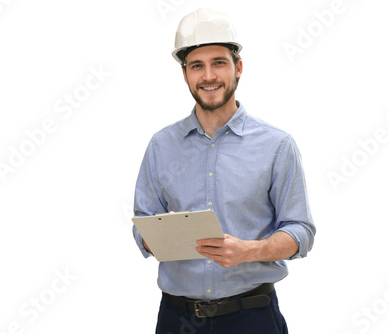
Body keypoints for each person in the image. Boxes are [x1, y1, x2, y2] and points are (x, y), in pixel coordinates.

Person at [132, 8, 316, 334]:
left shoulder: (276, 145)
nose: (208, 76)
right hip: (178, 320)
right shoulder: (161, 146)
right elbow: (142, 225)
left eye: (219, 62)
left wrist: (250, 251)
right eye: (196, 66)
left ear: (238, 68)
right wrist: (158, 236)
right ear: (185, 74)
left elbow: (301, 232)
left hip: (253, 317)